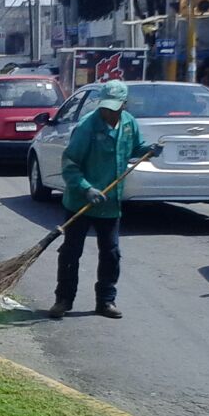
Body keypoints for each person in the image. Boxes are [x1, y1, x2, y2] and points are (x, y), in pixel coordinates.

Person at [50, 80, 156, 320]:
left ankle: (106, 301)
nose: (109, 112)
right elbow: (70, 164)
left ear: (124, 105)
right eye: (106, 107)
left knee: (111, 253)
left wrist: (149, 149)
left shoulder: (129, 124)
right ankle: (63, 299)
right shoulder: (87, 127)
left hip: (110, 203)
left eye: (114, 107)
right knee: (70, 252)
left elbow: (136, 148)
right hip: (81, 201)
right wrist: (86, 188)